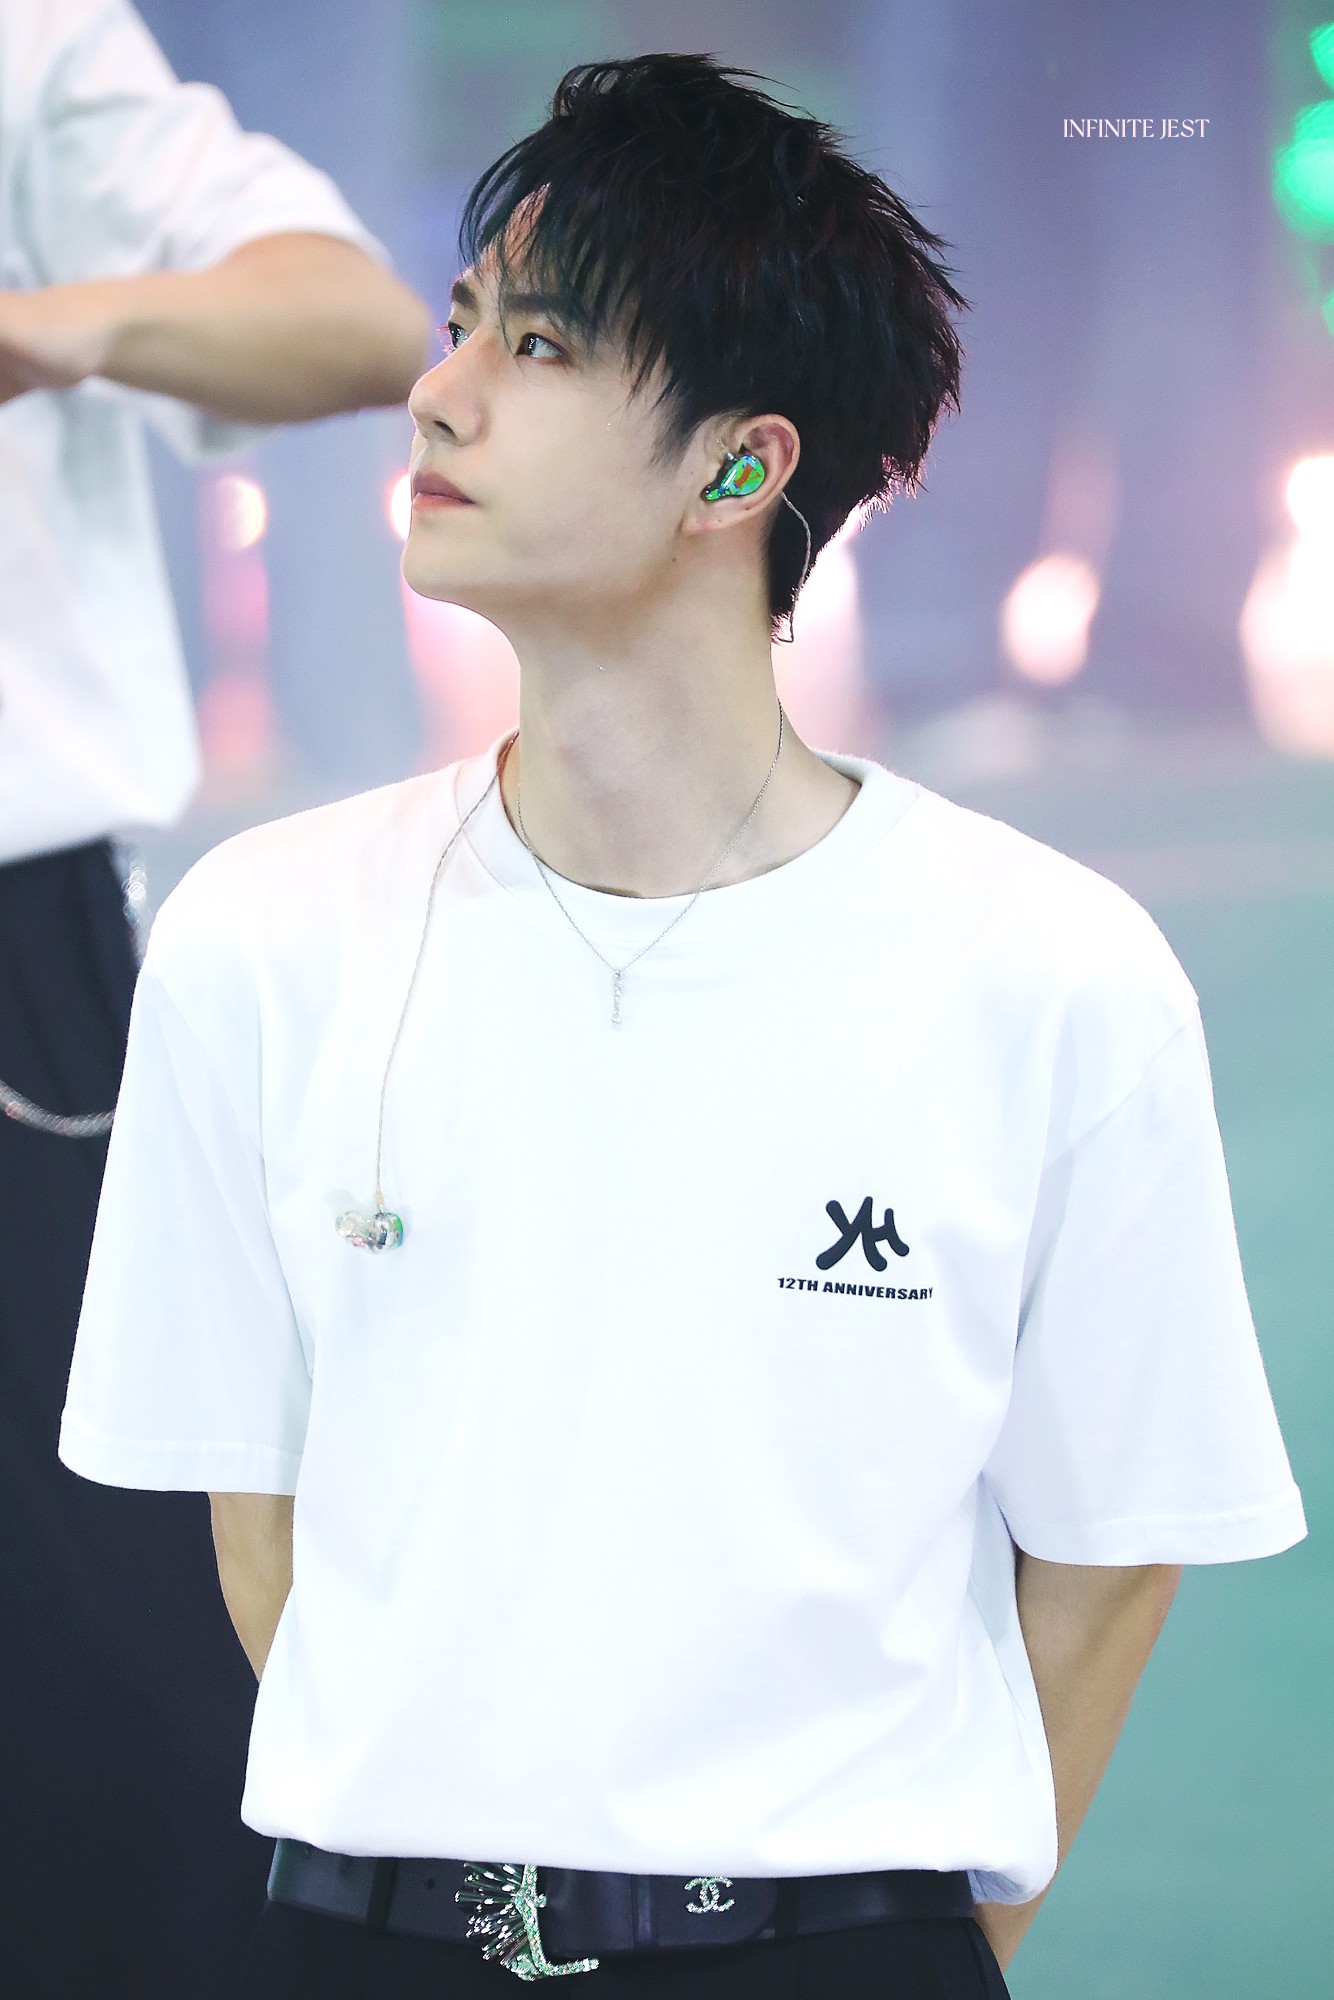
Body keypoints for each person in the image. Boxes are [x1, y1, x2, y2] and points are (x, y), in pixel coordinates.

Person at [59, 53, 1305, 2000]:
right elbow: (258, 1530)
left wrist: (879, 1943)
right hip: (360, 1947)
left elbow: (1109, 1554)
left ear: (739, 469)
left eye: (540, 345)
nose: (441, 390)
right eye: (461, 323)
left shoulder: (1048, 972)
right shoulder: (261, 937)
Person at [0, 2, 429, 1995]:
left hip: (22, 992)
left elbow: (350, 317)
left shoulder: (29, 43)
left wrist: (43, 324)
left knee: (137, 1715)